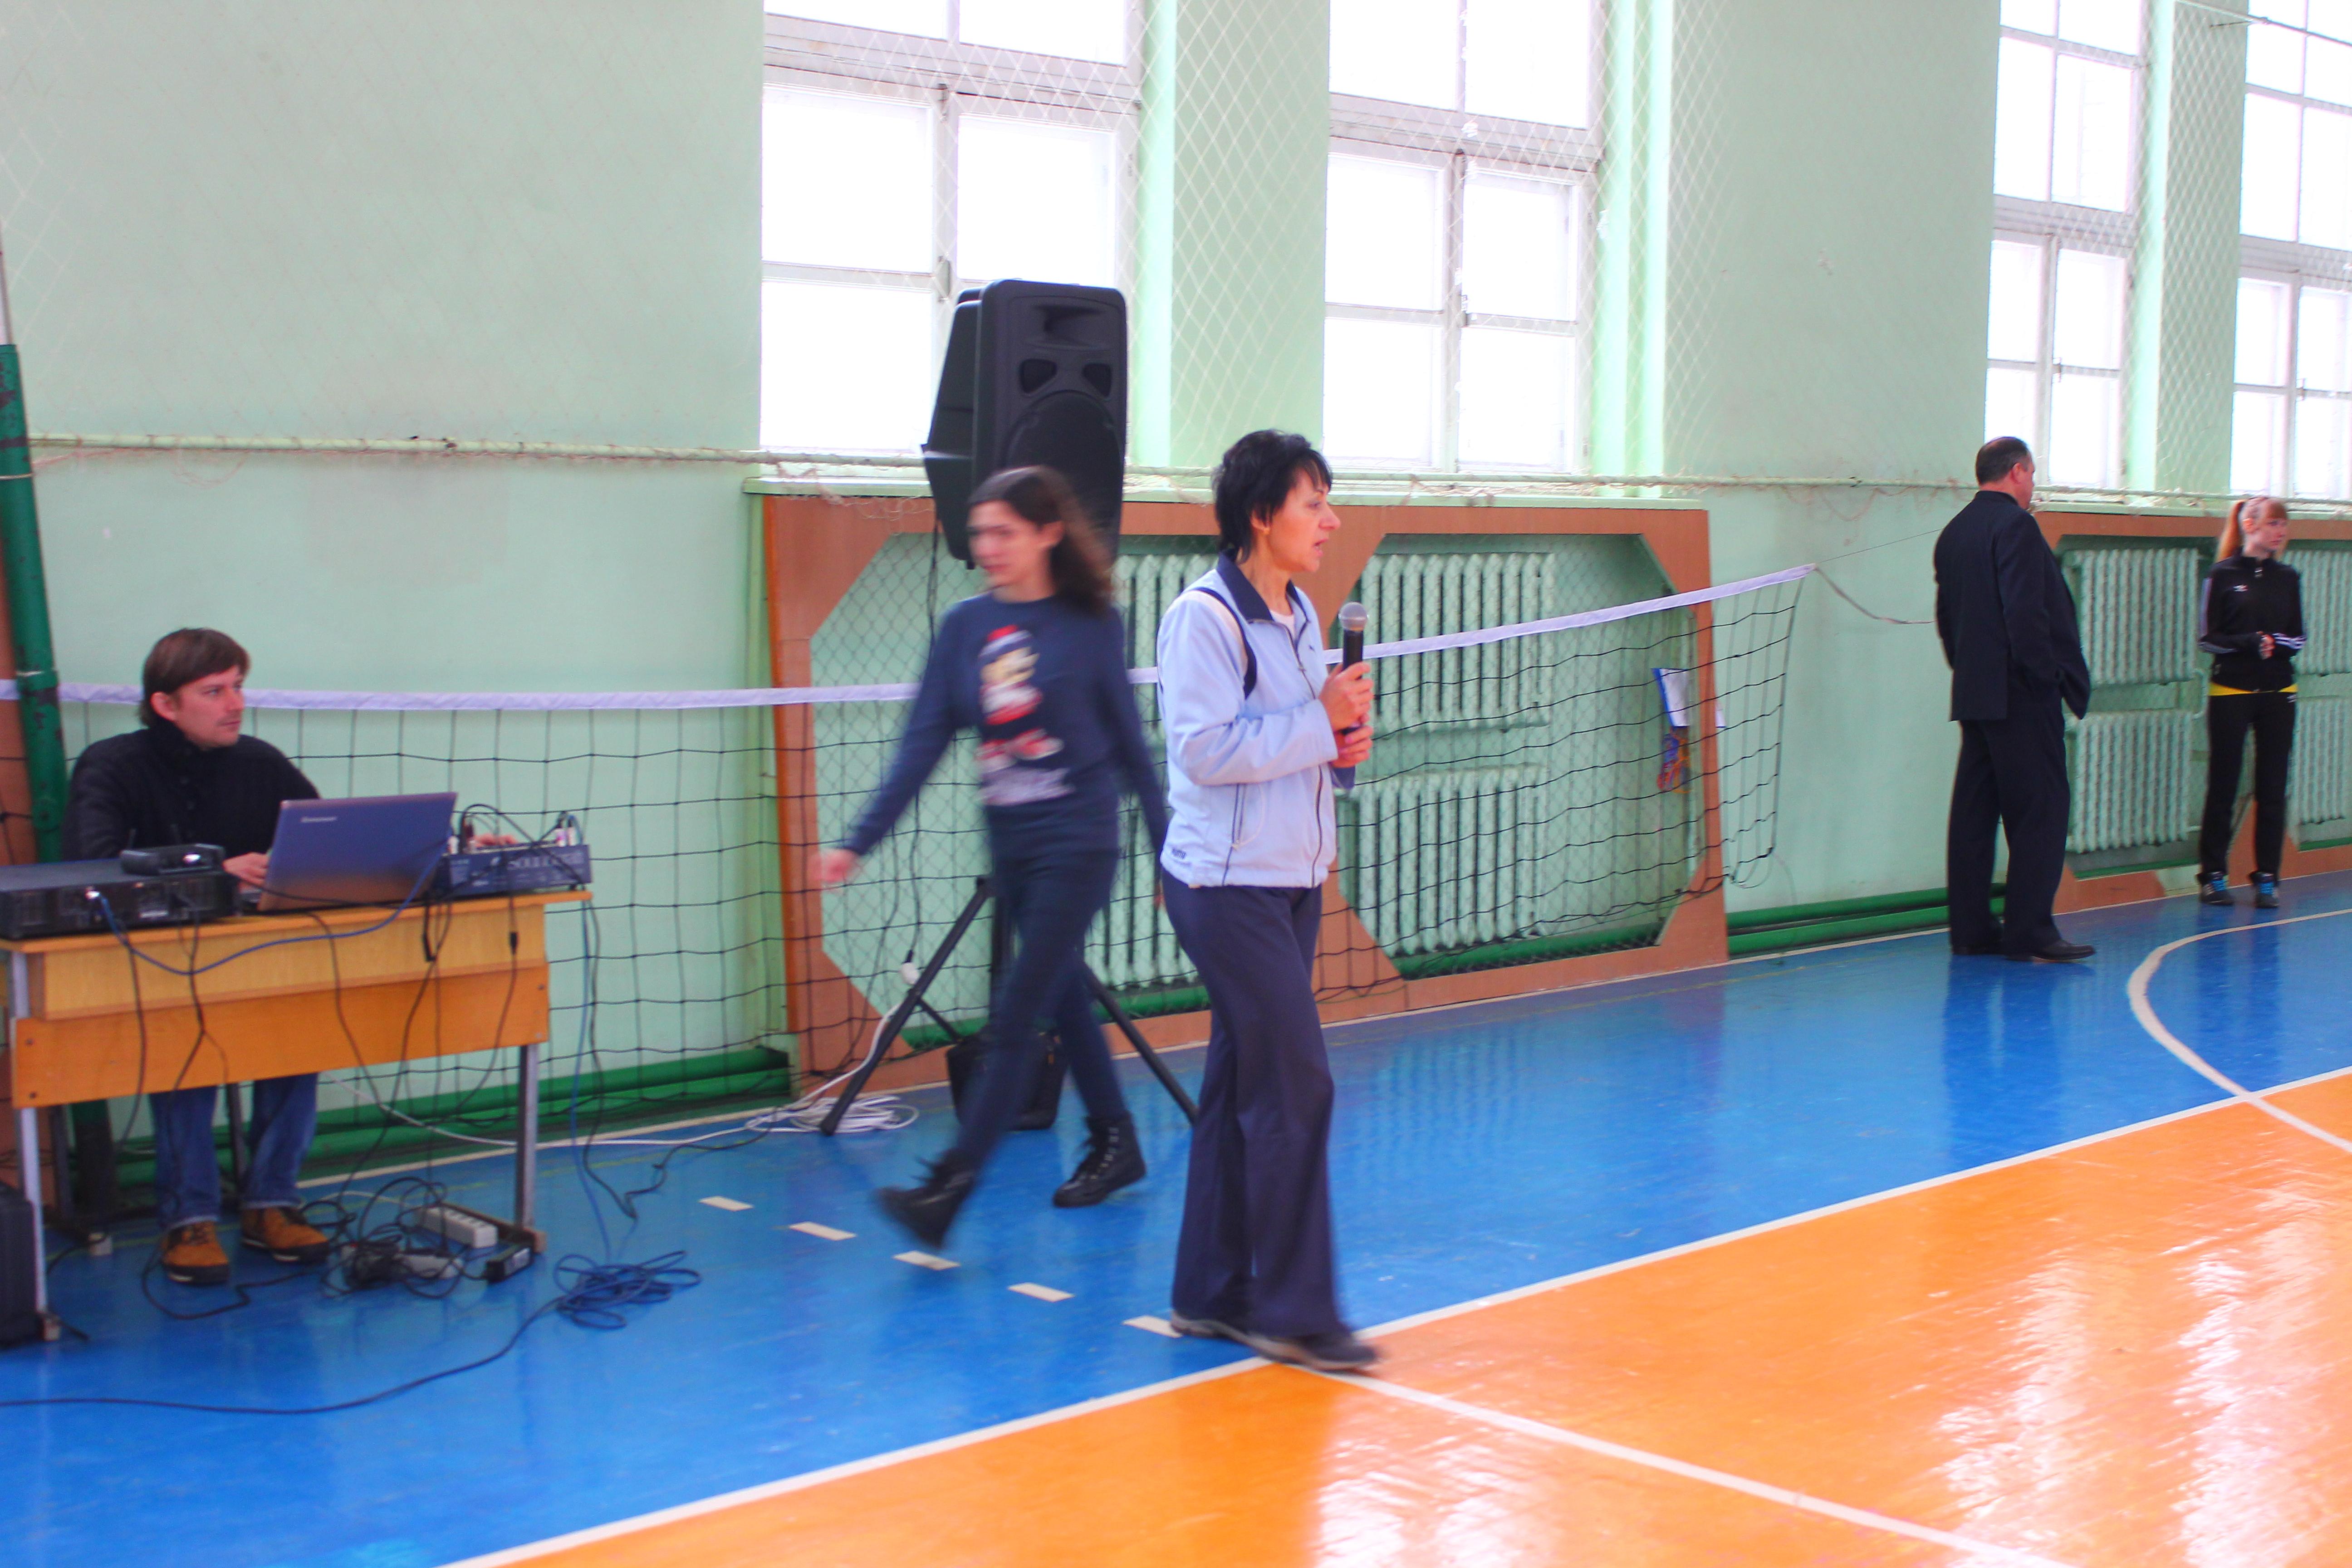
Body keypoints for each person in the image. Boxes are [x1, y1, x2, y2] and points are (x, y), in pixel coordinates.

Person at [819, 466, 1169, 1246]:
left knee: (1015, 1012)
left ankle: (948, 1188)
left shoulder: (1088, 624)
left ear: (1047, 534)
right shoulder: (965, 628)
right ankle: (1116, 1140)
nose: (988, 548)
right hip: (1012, 847)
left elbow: (1131, 747)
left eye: (1004, 532)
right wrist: (857, 843)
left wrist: (1165, 853)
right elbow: (921, 743)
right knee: (1061, 989)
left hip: (1078, 844)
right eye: (980, 534)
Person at [1153, 429, 1378, 1373]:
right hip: (1225, 886)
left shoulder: (1296, 613)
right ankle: (1295, 1313)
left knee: (1243, 1082)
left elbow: (1293, 739)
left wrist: (1340, 740)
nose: (1329, 521)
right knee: (1295, 1084)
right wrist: (1315, 722)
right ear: (1259, 516)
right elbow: (1205, 752)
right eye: (1311, 503)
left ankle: (1208, 1294)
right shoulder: (1202, 619)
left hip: (1289, 881)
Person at [61, 628, 331, 1285]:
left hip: (259, 956)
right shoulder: (111, 765)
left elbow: (330, 837)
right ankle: (189, 1218)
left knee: (298, 1037)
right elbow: (90, 863)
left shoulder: (260, 763)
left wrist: (454, 848)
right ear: (165, 704)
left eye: (238, 687)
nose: (235, 704)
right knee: (186, 1048)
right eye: (214, 692)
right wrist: (214, 872)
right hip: (155, 967)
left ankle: (272, 1202)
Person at [1933, 436, 2093, 963]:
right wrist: (2044, 679)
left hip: (1975, 693)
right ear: (2019, 472)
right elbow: (2026, 612)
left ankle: (1972, 930)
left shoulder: (1954, 532)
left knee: (1974, 815)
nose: (2032, 485)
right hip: (2021, 694)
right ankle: (2031, 931)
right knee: (2040, 811)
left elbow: (1947, 619)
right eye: (2032, 475)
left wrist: (1970, 673)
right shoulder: (2017, 527)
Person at [2196, 496, 2304, 909]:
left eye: (2284, 525)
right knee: (2223, 784)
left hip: (2279, 694)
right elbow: (2209, 639)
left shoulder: (2288, 577)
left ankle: (2268, 878)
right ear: (2250, 525)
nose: (2281, 532)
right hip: (2231, 693)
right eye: (2274, 523)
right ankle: (2213, 875)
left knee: (2273, 788)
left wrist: (2275, 644)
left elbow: (2298, 637)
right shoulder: (2222, 575)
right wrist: (2248, 643)